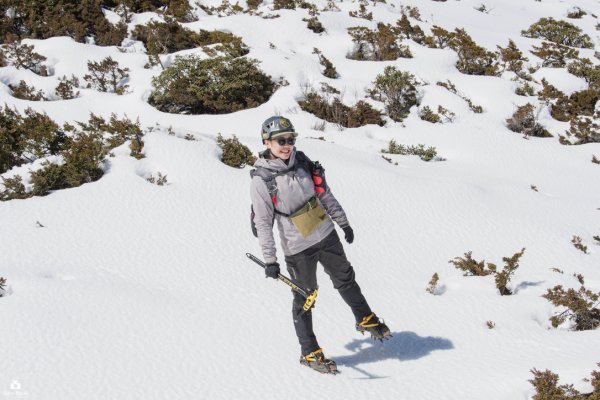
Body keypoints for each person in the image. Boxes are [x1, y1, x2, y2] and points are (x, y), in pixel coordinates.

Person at [250, 116, 390, 374]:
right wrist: (270, 260)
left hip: (325, 234)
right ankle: (309, 351)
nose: (286, 145)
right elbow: (262, 222)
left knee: (345, 278)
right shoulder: (262, 180)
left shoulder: (303, 162)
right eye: (281, 140)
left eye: (290, 139)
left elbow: (324, 193)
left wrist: (343, 222)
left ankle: (365, 318)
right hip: (297, 248)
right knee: (306, 297)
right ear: (266, 142)